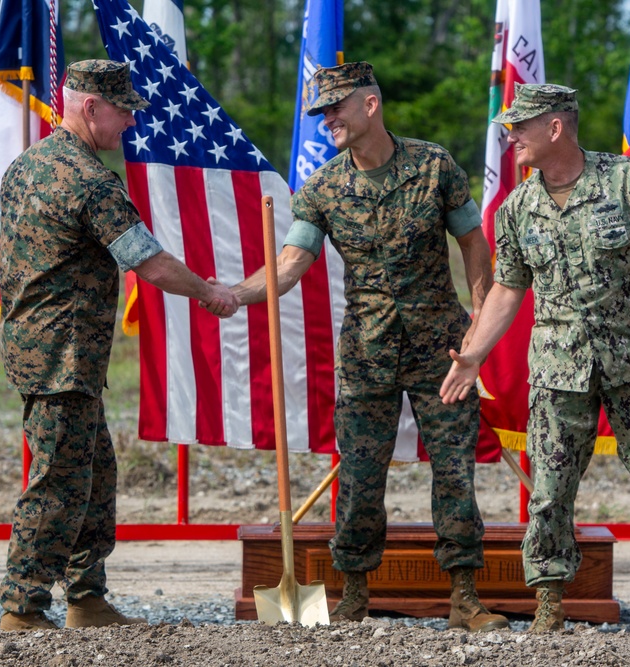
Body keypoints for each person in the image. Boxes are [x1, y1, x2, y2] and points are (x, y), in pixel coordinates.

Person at [206, 62, 507, 632]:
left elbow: (473, 240)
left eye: (335, 110)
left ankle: (465, 597)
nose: (326, 123)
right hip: (367, 354)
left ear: (370, 106)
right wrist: (237, 293)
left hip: (442, 352)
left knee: (454, 473)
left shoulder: (433, 165)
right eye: (320, 114)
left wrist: (479, 323)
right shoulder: (322, 188)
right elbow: (292, 262)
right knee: (361, 476)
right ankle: (355, 595)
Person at [440, 83, 630, 633]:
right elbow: (507, 289)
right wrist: (473, 354)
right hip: (558, 369)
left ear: (555, 127)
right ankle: (550, 606)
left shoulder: (628, 181)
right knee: (548, 490)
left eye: (521, 127)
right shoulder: (518, 207)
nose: (511, 136)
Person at [0, 59, 238, 632]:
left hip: (44, 347)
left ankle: (86, 596)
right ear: (91, 107)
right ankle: (22, 606)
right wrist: (209, 292)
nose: (130, 122)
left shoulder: (25, 167)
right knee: (58, 479)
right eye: (123, 110)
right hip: (63, 355)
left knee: (95, 473)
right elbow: (145, 260)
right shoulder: (88, 179)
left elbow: (5, 251)